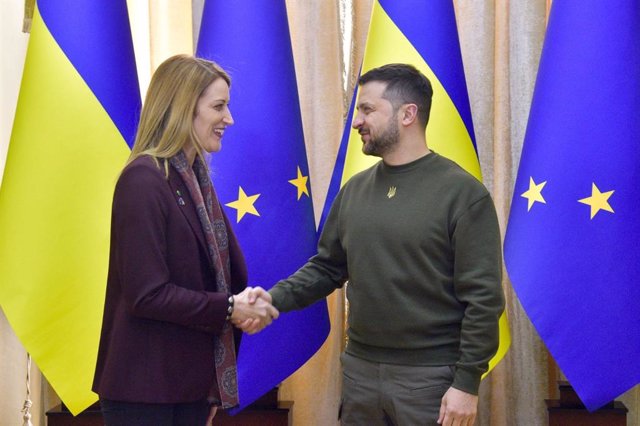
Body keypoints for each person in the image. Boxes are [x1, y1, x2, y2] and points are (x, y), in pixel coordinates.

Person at [251, 63, 504, 426]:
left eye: (368, 109)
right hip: (360, 374)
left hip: (432, 379)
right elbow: (326, 268)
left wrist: (466, 384)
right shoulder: (354, 190)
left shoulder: (462, 194)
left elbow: (484, 299)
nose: (357, 121)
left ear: (408, 114)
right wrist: (272, 299)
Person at [92, 54, 278, 426]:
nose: (229, 119)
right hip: (145, 392)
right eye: (219, 107)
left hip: (187, 387)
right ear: (182, 108)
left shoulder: (195, 183)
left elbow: (221, 276)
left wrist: (249, 303)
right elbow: (147, 294)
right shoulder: (143, 181)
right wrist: (230, 308)